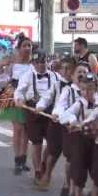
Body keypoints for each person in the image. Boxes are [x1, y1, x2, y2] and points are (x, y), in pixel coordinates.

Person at [59, 73, 98, 196]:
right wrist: (73, 121)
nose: (86, 92)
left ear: (96, 88)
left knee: (97, 170)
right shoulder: (79, 103)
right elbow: (66, 114)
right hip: (81, 140)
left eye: (90, 89)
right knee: (79, 169)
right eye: (83, 89)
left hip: (96, 141)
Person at [14, 50, 58, 184]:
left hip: (50, 111)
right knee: (37, 143)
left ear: (47, 62)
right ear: (33, 63)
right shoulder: (27, 76)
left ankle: (44, 162)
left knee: (52, 144)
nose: (41, 65)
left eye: (43, 62)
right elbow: (19, 91)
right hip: (32, 110)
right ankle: (38, 171)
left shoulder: (55, 76)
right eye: (38, 62)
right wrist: (19, 99)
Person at [34, 56, 76, 191]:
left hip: (72, 124)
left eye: (70, 68)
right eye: (65, 68)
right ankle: (47, 175)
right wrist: (40, 105)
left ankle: (68, 183)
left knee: (72, 155)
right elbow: (47, 97)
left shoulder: (79, 86)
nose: (67, 71)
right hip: (56, 122)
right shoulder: (57, 84)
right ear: (61, 70)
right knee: (53, 152)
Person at [52, 62, 90, 196]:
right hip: (70, 129)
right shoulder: (67, 90)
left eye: (85, 72)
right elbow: (60, 105)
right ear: (73, 76)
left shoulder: (91, 92)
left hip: (85, 130)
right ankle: (68, 183)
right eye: (79, 72)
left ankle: (78, 189)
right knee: (71, 159)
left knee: (83, 160)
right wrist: (58, 113)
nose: (82, 74)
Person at [0, 34, 34, 175]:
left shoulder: (34, 65)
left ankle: (23, 159)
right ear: (19, 49)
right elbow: (2, 79)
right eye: (24, 45)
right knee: (18, 128)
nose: (27, 48)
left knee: (26, 130)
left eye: (29, 46)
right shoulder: (13, 64)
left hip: (29, 97)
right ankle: (17, 159)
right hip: (14, 96)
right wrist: (1, 70)